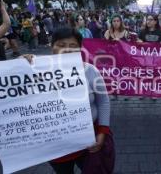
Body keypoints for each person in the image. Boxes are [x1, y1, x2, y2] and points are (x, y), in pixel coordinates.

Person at [22, 27, 115, 174]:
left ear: (80, 48)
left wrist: (102, 131)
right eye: (61, 45)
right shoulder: (36, 70)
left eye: (72, 46)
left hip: (89, 140)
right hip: (56, 145)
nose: (67, 50)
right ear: (52, 46)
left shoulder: (90, 71)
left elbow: (103, 101)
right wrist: (19, 68)